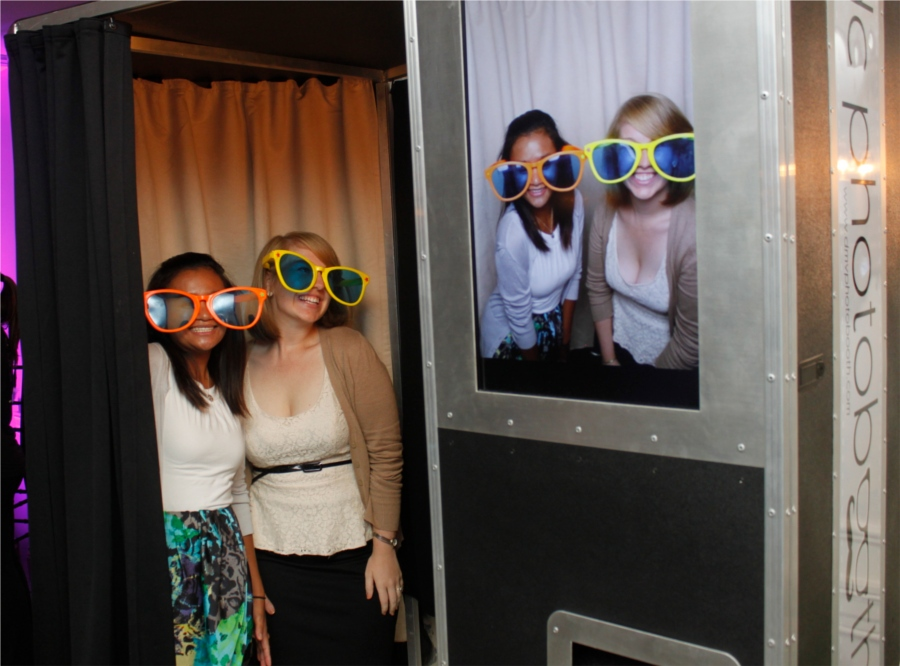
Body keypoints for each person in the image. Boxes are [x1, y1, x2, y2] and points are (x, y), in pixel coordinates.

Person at [244, 232, 403, 665]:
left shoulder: (349, 349)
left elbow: (386, 453)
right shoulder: (237, 362)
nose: (317, 286)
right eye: (301, 272)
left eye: (328, 278)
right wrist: (254, 583)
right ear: (270, 281)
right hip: (275, 565)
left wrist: (384, 546)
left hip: (356, 558)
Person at [144, 253, 271, 666]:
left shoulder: (226, 389)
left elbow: (237, 495)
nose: (203, 314)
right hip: (171, 552)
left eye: (215, 301)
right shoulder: (155, 365)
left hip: (227, 553)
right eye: (186, 303)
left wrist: (256, 590)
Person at [584, 93, 698, 369]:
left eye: (658, 148)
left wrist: (644, 389)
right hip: (613, 349)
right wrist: (610, 360)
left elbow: (692, 342)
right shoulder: (606, 212)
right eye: (630, 149)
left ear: (677, 155)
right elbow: (597, 288)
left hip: (667, 370)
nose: (644, 162)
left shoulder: (693, 234)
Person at [479, 109, 585, 361]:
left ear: (560, 160)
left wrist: (564, 343)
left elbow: (575, 274)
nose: (535, 180)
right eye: (522, 169)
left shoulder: (574, 201)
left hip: (551, 324)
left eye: (545, 163)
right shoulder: (512, 232)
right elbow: (518, 316)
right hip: (511, 336)